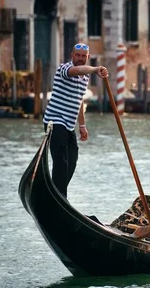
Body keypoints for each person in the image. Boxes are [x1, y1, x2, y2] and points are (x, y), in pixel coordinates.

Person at [43, 43, 108, 198]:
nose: (80, 59)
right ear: (72, 55)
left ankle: (55, 193)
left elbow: (79, 101)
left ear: (87, 57)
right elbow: (77, 70)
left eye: (83, 56)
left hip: (68, 125)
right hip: (54, 120)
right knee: (61, 161)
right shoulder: (64, 69)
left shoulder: (85, 77)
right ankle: (60, 197)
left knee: (72, 159)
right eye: (77, 55)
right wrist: (95, 69)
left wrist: (82, 125)